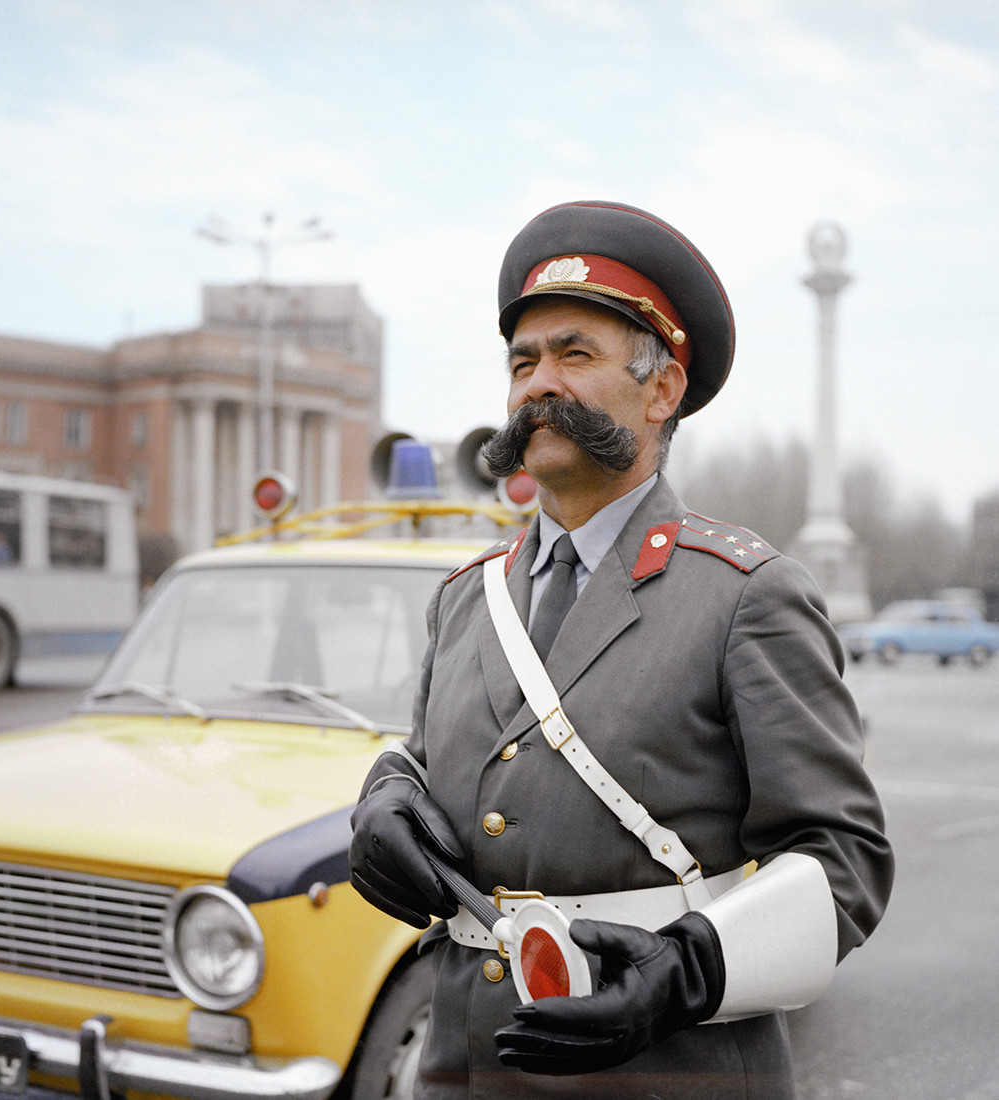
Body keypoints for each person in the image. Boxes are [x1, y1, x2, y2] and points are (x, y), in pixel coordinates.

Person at [350, 200, 894, 1099]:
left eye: (575, 354)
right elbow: (446, 763)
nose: (537, 383)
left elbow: (845, 859)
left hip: (670, 1069)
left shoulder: (745, 596)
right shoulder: (464, 598)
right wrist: (386, 792)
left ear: (661, 391)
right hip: (464, 1070)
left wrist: (689, 973)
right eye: (523, 362)